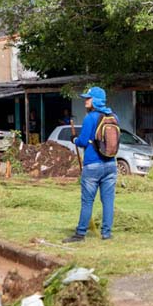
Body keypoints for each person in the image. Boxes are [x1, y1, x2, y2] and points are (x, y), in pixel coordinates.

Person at [64, 87, 117, 243]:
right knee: (108, 201)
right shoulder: (114, 117)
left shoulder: (90, 118)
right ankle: (106, 233)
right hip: (111, 164)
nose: (85, 101)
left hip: (93, 165)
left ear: (96, 100)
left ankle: (80, 234)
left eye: (88, 98)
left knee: (87, 201)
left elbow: (82, 141)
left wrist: (74, 139)